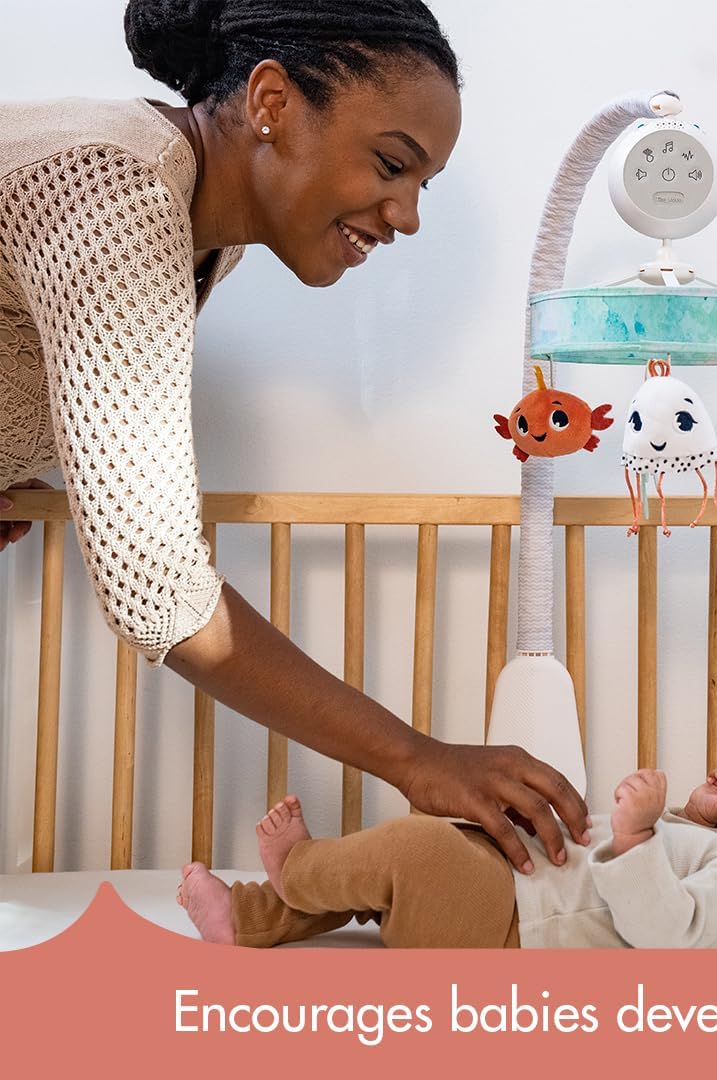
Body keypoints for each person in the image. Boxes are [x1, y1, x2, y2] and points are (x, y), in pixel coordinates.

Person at [0, 0, 589, 873]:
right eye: (393, 163)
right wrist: (416, 759)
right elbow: (156, 590)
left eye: (422, 184)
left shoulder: (198, 226)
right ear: (271, 102)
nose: (408, 216)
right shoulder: (114, 190)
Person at [178, 767, 717, 948]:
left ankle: (298, 868)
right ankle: (247, 920)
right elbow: (681, 881)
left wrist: (638, 834)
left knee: (413, 849)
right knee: (385, 882)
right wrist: (700, 817)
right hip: (512, 897)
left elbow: (663, 928)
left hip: (510, 927)